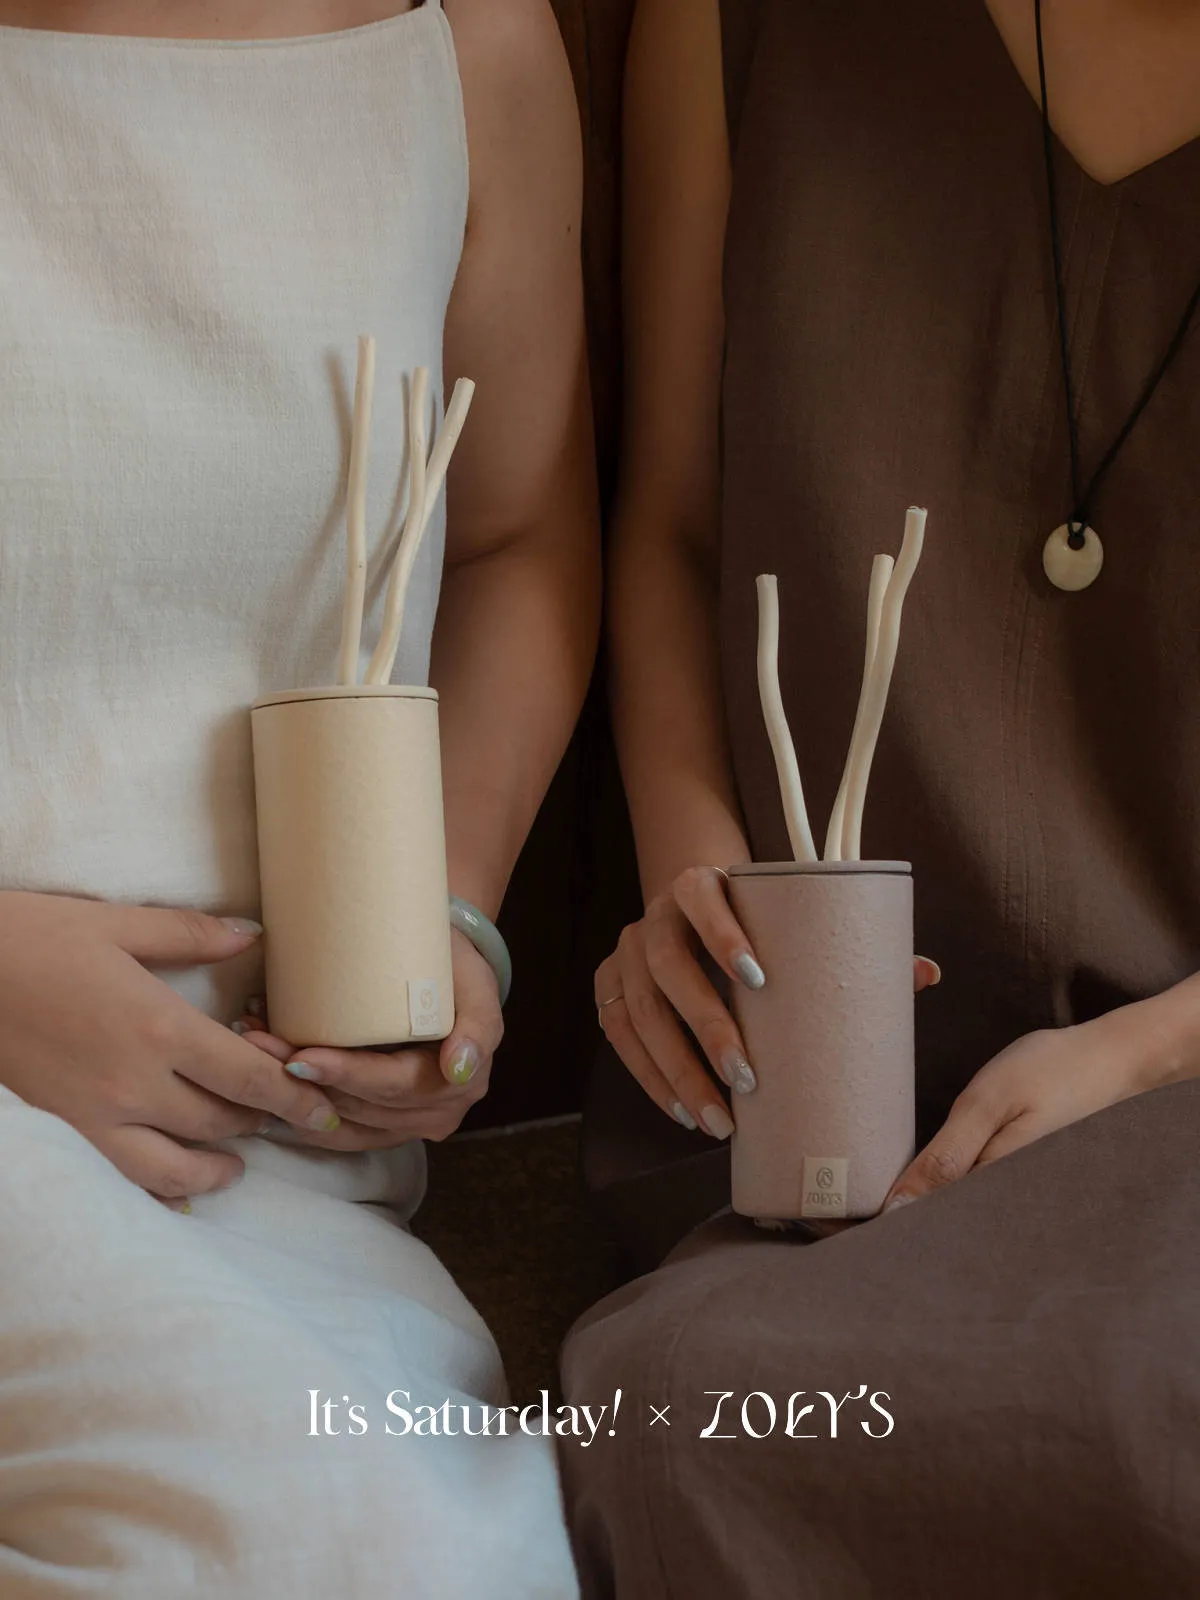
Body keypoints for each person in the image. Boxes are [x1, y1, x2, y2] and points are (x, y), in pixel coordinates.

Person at [560, 0, 1200, 1593]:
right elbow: (672, 523)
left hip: (1181, 1079)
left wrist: (1145, 1058)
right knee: (675, 1417)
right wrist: (701, 896)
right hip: (828, 1097)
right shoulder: (735, 25)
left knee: (1140, 1424)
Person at [0, 2, 595, 1594]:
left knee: (410, 1550)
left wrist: (443, 914)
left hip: (265, 1158)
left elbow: (516, 539)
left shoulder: (464, 45)